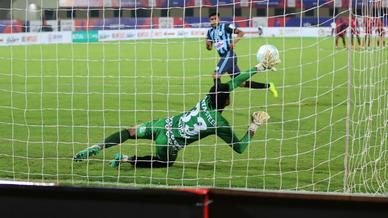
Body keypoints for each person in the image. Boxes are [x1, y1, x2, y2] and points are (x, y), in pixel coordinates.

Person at [73, 53, 280, 168]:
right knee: (165, 163)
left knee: (130, 131)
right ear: (226, 101)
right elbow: (240, 148)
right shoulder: (220, 123)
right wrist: (254, 125)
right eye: (229, 93)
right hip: (169, 143)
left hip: (164, 124)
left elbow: (235, 81)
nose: (231, 91)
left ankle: (96, 147)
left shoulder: (207, 100)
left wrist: (258, 67)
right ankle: (125, 159)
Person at [206, 12, 278, 98]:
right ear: (210, 21)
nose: (214, 21)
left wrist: (234, 42)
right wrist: (207, 43)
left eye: (215, 18)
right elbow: (209, 48)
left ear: (219, 19)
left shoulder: (225, 26)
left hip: (229, 55)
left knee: (216, 74)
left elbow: (241, 32)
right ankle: (269, 86)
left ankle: (217, 98)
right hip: (224, 58)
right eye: (212, 19)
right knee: (241, 83)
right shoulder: (210, 32)